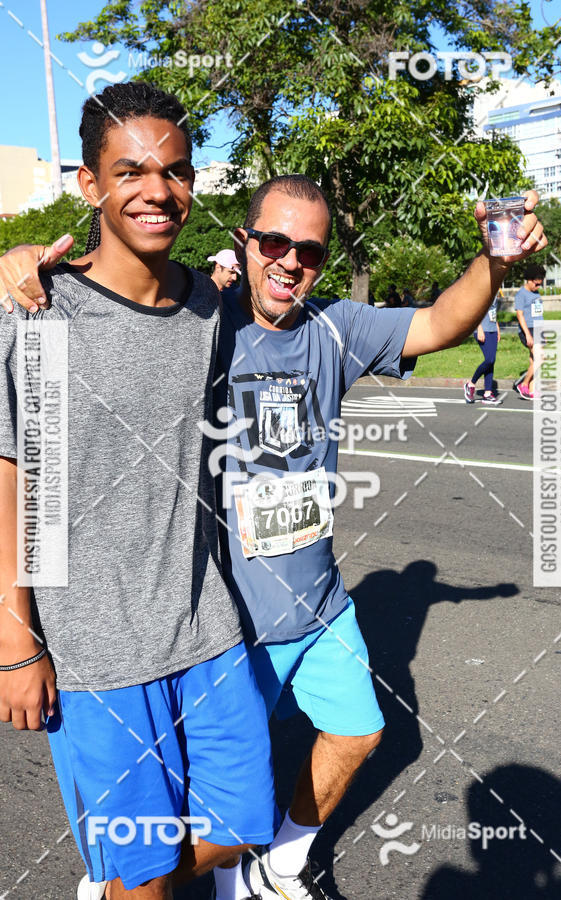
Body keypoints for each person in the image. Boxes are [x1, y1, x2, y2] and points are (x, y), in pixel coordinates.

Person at [0, 174, 548, 900]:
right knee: (216, 805)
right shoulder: (199, 320)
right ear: (245, 241)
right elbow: (113, 292)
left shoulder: (336, 328)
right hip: (226, 619)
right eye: (274, 242)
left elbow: (440, 323)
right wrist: (25, 260)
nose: (290, 261)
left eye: (310, 251)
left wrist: (496, 263)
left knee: (357, 734)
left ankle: (280, 865)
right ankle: (131, 882)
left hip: (320, 606)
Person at [0, 83, 275, 900]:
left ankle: (118, 882)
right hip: (96, 651)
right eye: (131, 172)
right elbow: (13, 480)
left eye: (177, 172)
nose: (158, 191)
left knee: (239, 832)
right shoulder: (40, 312)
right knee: (147, 879)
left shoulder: (204, 305)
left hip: (208, 627)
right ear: (89, 185)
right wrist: (15, 640)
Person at [513, 263, 546, 400]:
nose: (538, 287)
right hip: (529, 330)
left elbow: (539, 313)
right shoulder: (521, 294)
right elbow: (520, 315)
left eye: (540, 284)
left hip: (538, 328)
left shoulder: (535, 293)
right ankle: (524, 384)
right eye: (536, 284)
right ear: (529, 280)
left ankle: (532, 390)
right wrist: (527, 334)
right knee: (541, 357)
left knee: (534, 360)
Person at [463, 294, 503, 405]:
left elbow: (493, 311)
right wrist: (478, 328)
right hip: (482, 330)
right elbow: (475, 311)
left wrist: (497, 328)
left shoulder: (495, 291)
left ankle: (488, 393)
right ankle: (471, 383)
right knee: (490, 359)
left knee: (491, 361)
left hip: (492, 329)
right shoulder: (483, 290)